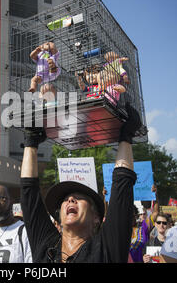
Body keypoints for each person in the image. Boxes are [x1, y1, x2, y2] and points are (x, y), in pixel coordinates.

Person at [20, 102, 142, 262]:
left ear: (96, 217)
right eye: (65, 199)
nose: (70, 199)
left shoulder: (106, 248)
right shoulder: (46, 246)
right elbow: (29, 194)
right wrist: (31, 142)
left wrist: (126, 136)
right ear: (59, 217)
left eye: (79, 197)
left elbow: (122, 184)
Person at [129, 188, 159, 263]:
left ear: (136, 216)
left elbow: (155, 213)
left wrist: (154, 195)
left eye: (132, 215)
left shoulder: (143, 226)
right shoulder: (120, 230)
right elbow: (106, 217)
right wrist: (105, 198)